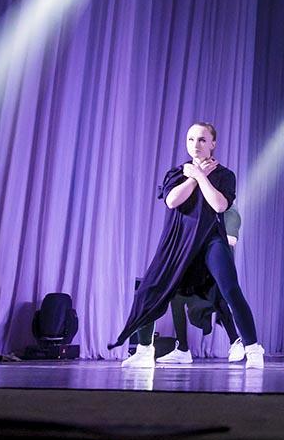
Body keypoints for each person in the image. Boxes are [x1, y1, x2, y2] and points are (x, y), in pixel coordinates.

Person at [109, 122, 264, 369]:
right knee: (148, 290)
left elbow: (219, 205)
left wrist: (201, 176)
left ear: (213, 144)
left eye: (202, 140)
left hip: (211, 240)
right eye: (191, 139)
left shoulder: (224, 175)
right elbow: (172, 201)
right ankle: (144, 350)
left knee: (230, 290)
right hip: (178, 240)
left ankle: (253, 348)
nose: (196, 145)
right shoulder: (176, 173)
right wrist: (193, 176)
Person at [156, 206, 247, 364]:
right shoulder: (201, 213)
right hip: (197, 267)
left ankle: (235, 342)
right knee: (176, 297)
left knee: (219, 299)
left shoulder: (229, 213)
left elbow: (231, 240)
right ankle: (182, 349)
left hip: (217, 267)